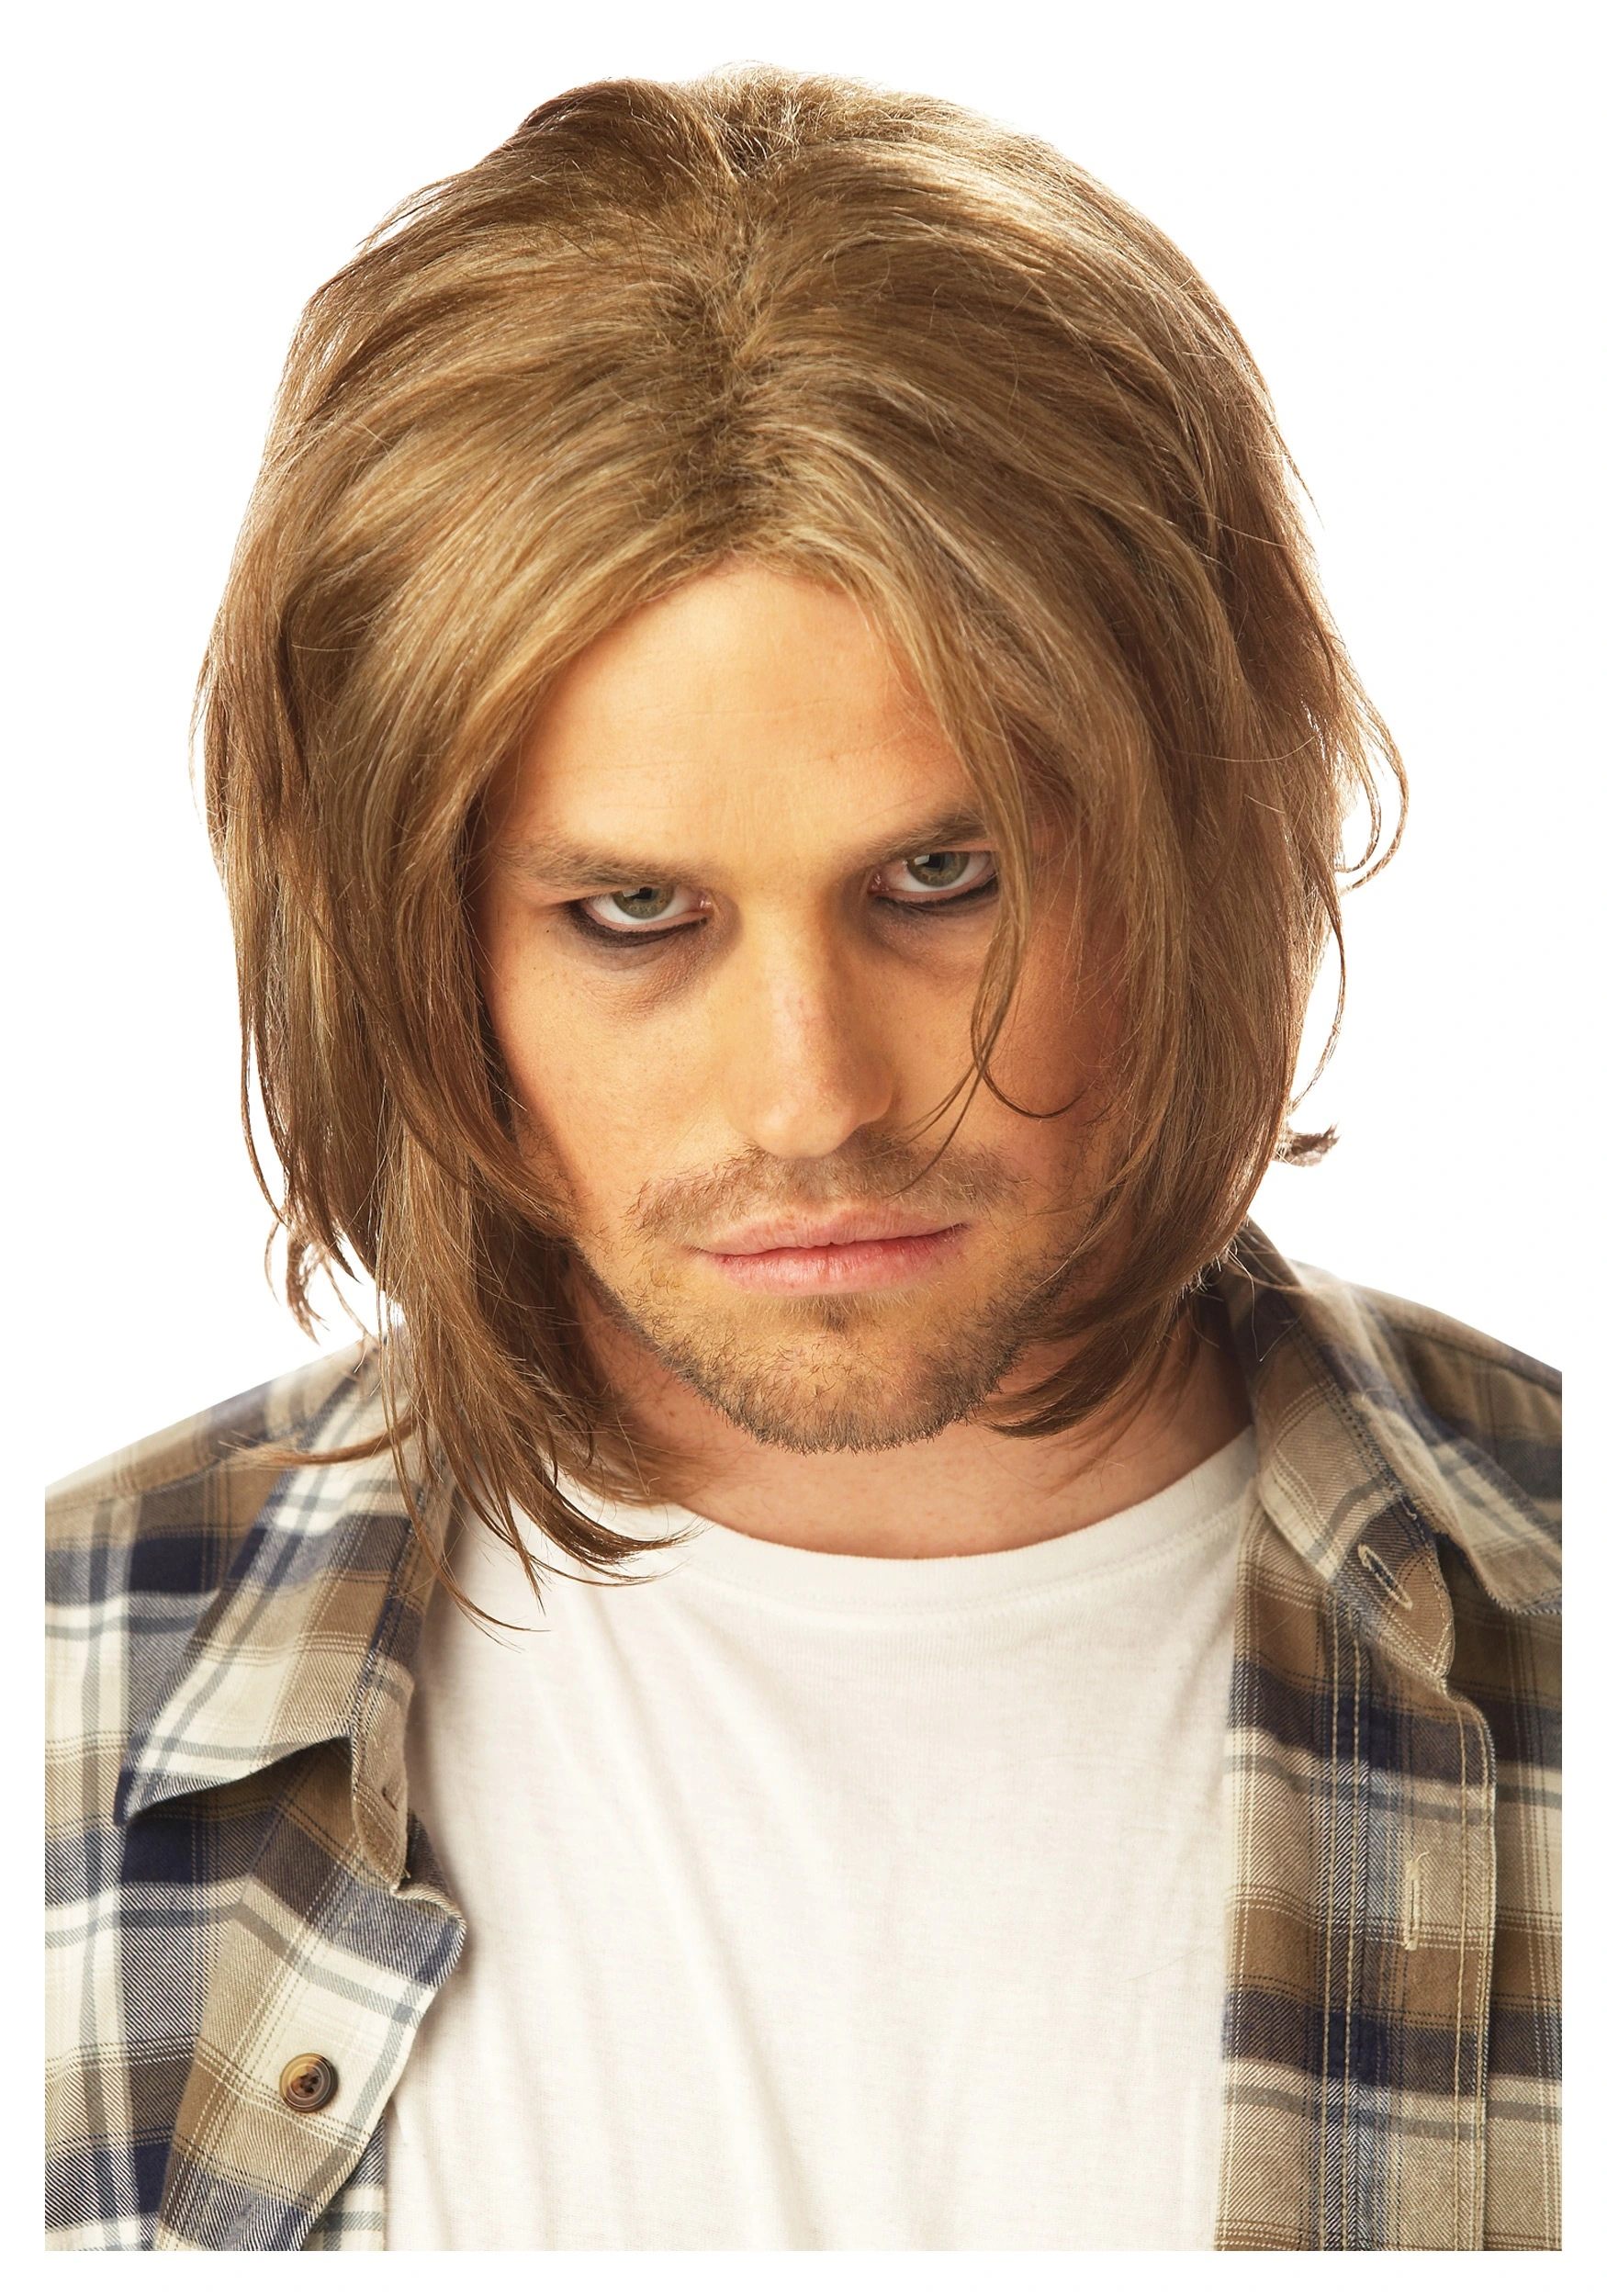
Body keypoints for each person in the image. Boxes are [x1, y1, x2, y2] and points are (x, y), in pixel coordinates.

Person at [44, 66, 1560, 2253]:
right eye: (632, 912)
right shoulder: (68, 1692)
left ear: (1197, 849)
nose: (810, 1096)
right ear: (411, 940)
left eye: (940, 877)